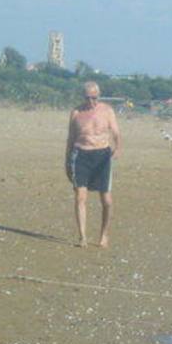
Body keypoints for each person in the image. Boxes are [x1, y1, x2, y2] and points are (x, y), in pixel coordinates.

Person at [66, 81, 121, 248]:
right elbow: (70, 139)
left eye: (94, 98)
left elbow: (116, 132)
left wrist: (118, 148)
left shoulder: (107, 111)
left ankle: (104, 235)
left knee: (107, 200)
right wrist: (67, 161)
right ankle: (82, 237)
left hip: (102, 155)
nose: (91, 101)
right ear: (83, 97)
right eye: (88, 98)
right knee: (80, 197)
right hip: (81, 155)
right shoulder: (76, 113)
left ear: (99, 96)